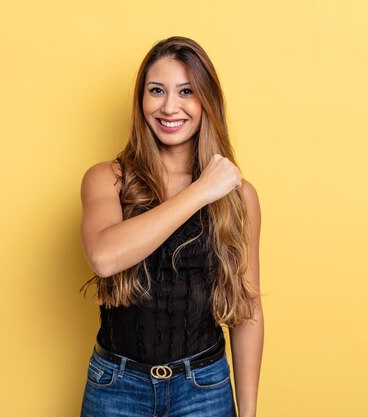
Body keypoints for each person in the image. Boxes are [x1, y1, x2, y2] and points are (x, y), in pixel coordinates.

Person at [79, 36, 264, 417]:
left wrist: (248, 413)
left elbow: (247, 309)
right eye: (156, 91)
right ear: (141, 100)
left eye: (186, 91)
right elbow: (104, 257)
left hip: (204, 389)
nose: (169, 106)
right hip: (116, 387)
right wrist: (199, 192)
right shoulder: (107, 179)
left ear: (205, 102)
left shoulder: (238, 196)